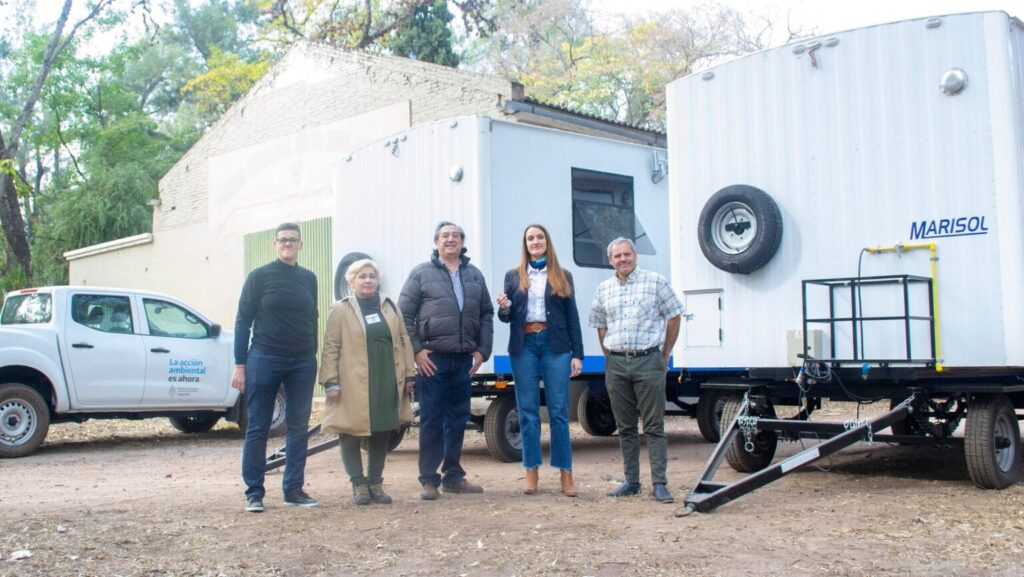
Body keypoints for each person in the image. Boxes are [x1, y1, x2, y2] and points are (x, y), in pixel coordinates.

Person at [399, 221, 494, 500]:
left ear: (463, 243)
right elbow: (404, 315)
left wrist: (481, 351)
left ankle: (453, 476)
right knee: (431, 419)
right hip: (433, 360)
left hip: (463, 360)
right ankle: (429, 479)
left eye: (456, 235)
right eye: (445, 236)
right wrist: (417, 350)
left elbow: (486, 314)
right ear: (436, 242)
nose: (450, 239)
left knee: (457, 418)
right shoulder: (421, 274)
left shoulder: (474, 275)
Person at [232, 222, 320, 513]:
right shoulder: (259, 277)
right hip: (264, 359)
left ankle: (293, 490)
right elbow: (243, 321)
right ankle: (254, 493)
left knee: (298, 426)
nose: (287, 244)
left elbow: (313, 317)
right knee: (258, 426)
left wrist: (312, 354)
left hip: (302, 362)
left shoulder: (309, 278)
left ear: (301, 245)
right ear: (274, 244)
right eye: (283, 240)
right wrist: (240, 365)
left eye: (293, 240)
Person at [589, 237, 684, 504]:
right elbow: (600, 324)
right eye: (617, 256)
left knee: (654, 425)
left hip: (648, 360)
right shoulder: (603, 288)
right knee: (625, 426)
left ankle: (660, 483)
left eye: (627, 254)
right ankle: (631, 481)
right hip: (617, 364)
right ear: (610, 261)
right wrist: (610, 356)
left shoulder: (655, 282)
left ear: (635, 255)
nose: (622, 260)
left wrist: (664, 353)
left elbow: (675, 315)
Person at [319, 259, 416, 506]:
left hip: (386, 377)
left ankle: (375, 483)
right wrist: (330, 381)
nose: (368, 280)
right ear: (351, 281)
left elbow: (404, 340)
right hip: (352, 381)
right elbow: (331, 346)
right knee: (349, 431)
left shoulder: (390, 306)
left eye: (372, 276)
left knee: (382, 431)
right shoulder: (341, 310)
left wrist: (408, 374)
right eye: (362, 276)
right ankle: (358, 484)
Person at [496, 224, 583, 497]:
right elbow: (506, 317)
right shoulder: (513, 276)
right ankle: (531, 471)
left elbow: (572, 317)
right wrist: (505, 306)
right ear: (525, 244)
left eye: (540, 237)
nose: (535, 241)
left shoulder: (562, 275)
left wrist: (578, 354)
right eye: (530, 238)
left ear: (547, 241)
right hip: (524, 347)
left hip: (555, 346)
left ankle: (565, 473)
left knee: (558, 410)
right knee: (528, 411)